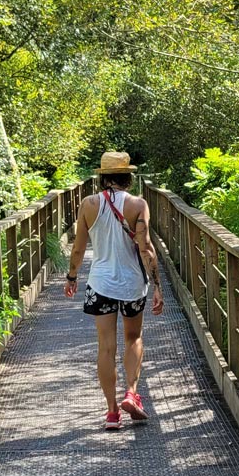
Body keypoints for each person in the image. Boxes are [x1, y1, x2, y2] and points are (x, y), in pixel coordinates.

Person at [64, 151, 164, 429]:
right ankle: (131, 393)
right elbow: (145, 249)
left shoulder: (88, 204)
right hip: (132, 283)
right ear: (128, 177)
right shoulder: (138, 204)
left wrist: (72, 277)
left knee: (105, 347)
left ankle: (111, 413)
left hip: (100, 283)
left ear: (102, 177)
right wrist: (157, 287)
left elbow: (79, 247)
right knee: (133, 338)